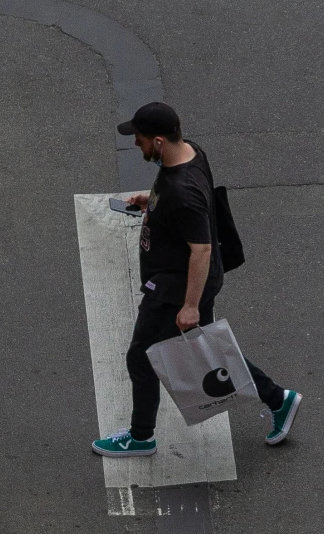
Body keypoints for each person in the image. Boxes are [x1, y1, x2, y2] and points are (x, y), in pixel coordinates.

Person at [91, 102, 301, 457]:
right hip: (191, 280)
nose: (136, 146)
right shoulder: (191, 152)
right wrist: (151, 201)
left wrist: (189, 305)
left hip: (176, 288)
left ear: (158, 141)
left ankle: (141, 437)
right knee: (209, 351)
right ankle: (279, 398)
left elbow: (200, 249)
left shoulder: (181, 193)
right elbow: (179, 202)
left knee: (140, 357)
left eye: (140, 140)